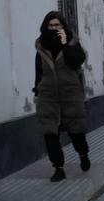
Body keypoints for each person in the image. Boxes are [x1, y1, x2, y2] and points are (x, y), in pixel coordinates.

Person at [33, 11, 90, 181]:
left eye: (57, 25)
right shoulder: (41, 45)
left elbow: (76, 61)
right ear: (46, 26)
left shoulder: (72, 42)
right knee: (50, 134)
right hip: (48, 97)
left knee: (76, 133)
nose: (53, 28)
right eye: (50, 25)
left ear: (63, 26)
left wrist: (65, 43)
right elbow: (39, 70)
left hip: (70, 95)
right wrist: (37, 90)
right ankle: (58, 168)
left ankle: (83, 154)